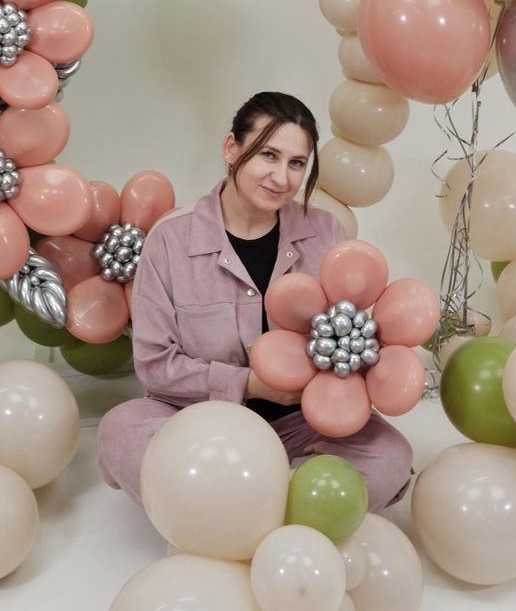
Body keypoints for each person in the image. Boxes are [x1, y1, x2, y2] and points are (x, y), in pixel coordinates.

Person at [97, 91, 413, 511]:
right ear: (231, 148)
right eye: (268, 155)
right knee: (121, 431)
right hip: (201, 423)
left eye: (296, 163)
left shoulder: (325, 233)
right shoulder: (170, 240)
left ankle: (229, 508)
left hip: (303, 425)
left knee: (390, 458)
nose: (281, 177)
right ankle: (272, 505)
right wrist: (248, 384)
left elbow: (350, 334)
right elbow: (156, 367)